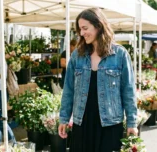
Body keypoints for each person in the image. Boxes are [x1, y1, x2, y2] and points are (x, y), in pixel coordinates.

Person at [58, 8, 137, 152]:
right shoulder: (77, 55)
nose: (82, 33)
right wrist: (64, 118)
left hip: (110, 124)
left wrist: (132, 122)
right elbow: (68, 89)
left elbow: (128, 91)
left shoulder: (120, 54)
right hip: (82, 122)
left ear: (98, 26)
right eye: (80, 29)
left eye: (85, 28)